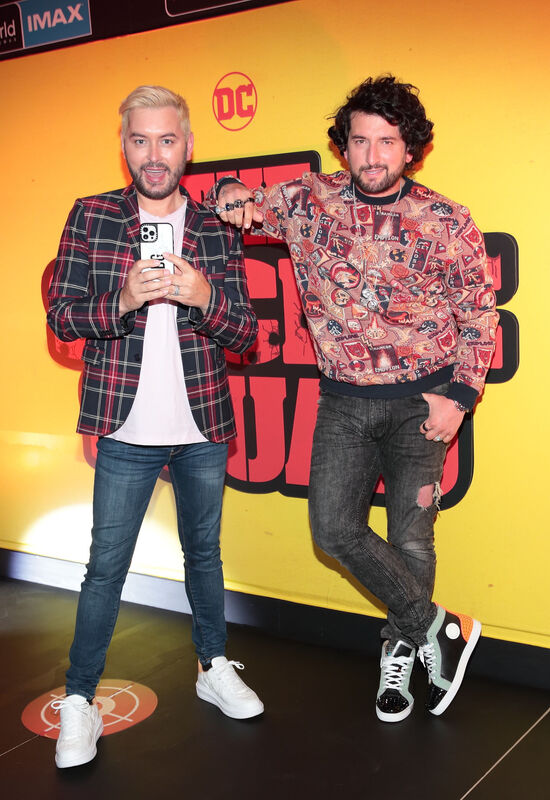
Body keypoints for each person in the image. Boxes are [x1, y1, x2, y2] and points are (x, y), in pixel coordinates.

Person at [210, 76, 498, 722]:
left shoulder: (446, 220)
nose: (372, 156)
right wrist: (229, 193)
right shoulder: (308, 201)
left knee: (411, 539)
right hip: (344, 400)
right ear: (344, 146)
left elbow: (481, 317)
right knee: (333, 529)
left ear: (410, 148)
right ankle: (438, 629)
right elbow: (244, 205)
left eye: (387, 142)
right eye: (360, 141)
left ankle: (399, 650)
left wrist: (460, 396)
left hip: (424, 405)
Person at [47, 85, 263, 769]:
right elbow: (62, 318)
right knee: (105, 569)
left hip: (201, 424)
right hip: (123, 425)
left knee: (204, 555)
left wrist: (202, 296)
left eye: (166, 140)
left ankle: (213, 665)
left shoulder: (215, 226)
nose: (153, 154)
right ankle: (80, 700)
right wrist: (121, 300)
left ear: (188, 145)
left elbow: (247, 333)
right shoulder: (90, 217)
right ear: (125, 146)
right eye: (139, 140)